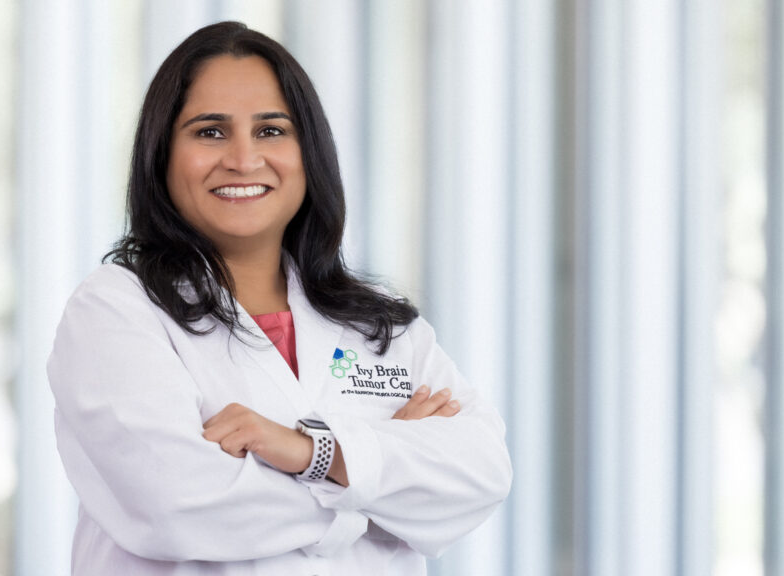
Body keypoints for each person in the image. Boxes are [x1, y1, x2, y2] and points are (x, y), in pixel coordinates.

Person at [47, 21, 512, 576]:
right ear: (162, 154)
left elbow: (482, 472)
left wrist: (308, 450)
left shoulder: (381, 324)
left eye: (271, 131)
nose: (244, 160)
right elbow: (176, 504)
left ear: (308, 151)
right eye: (209, 132)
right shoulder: (117, 310)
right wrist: (371, 487)